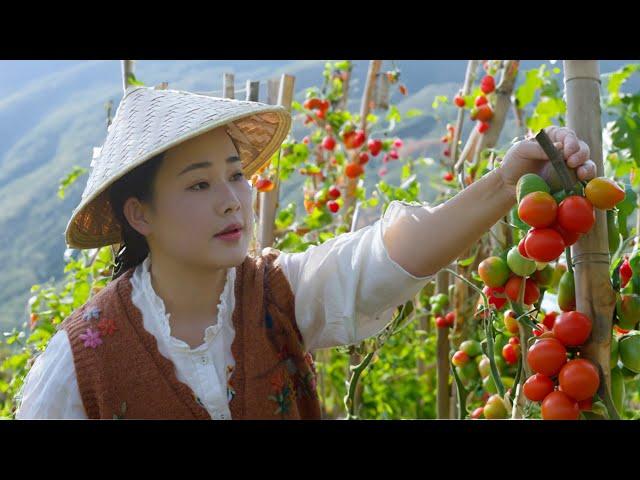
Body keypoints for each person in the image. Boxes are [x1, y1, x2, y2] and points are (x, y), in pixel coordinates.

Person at [15, 84, 596, 419]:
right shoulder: (79, 363)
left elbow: (382, 260)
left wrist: (503, 183)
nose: (232, 202)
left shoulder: (273, 295)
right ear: (139, 214)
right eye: (199, 184)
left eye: (236, 176)